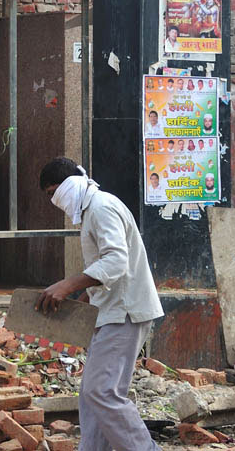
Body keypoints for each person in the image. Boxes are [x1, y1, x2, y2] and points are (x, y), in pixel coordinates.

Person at [36, 158, 164, 451]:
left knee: (101, 392)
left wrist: (67, 285)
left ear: (67, 185)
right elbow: (104, 270)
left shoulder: (101, 207)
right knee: (92, 396)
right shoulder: (92, 209)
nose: (53, 201)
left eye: (51, 192)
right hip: (111, 311)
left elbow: (116, 261)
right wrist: (83, 300)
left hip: (125, 312)